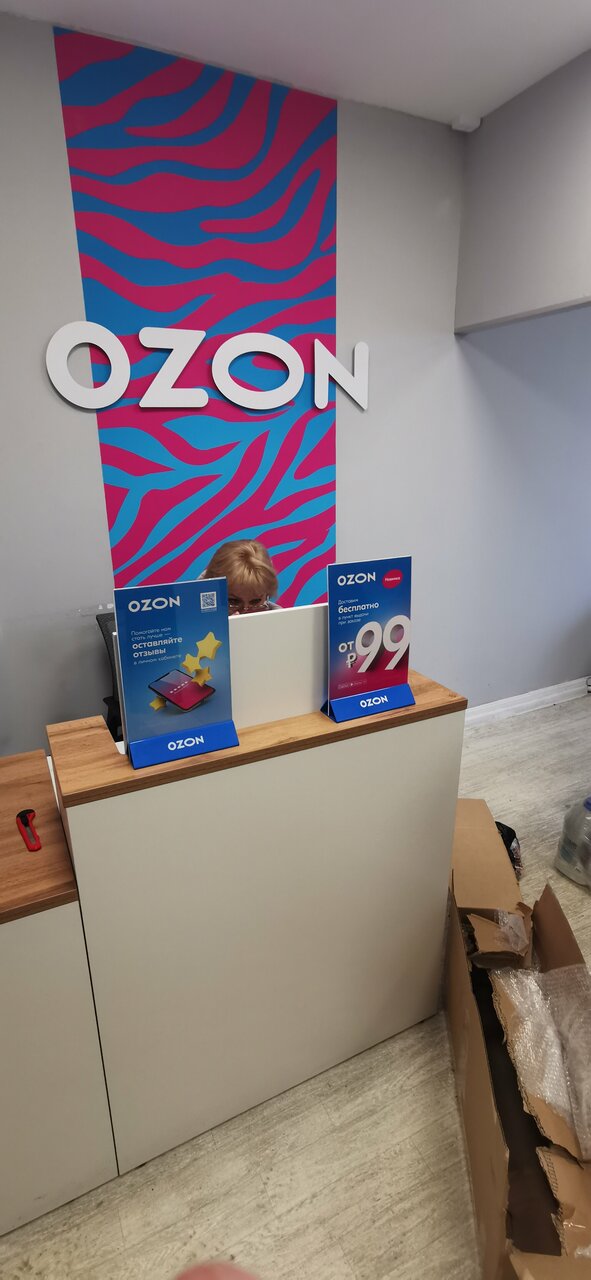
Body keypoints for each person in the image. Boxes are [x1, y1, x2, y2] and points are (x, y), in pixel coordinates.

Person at [202, 540, 280, 614]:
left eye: (255, 601)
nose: (244, 611)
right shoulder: (194, 620)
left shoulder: (282, 621)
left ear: (267, 595)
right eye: (233, 601)